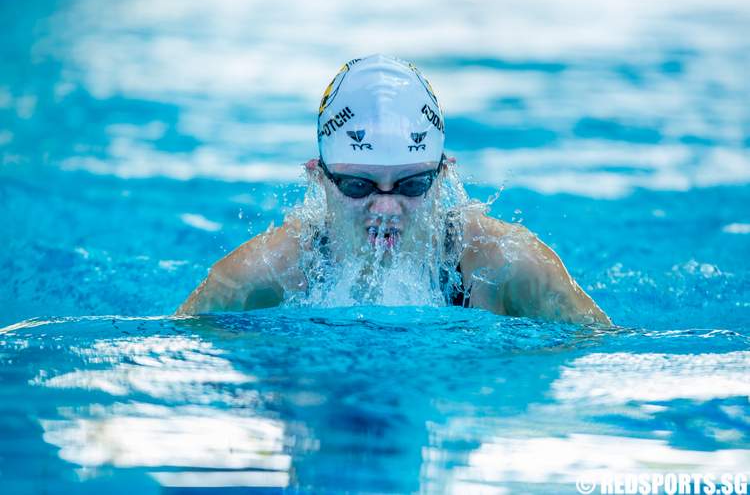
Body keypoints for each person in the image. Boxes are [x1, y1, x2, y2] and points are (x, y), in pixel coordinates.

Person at [177, 55, 611, 326]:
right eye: (357, 185)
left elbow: (600, 356)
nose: (385, 207)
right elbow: (183, 355)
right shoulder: (265, 273)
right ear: (319, 178)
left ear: (444, 176)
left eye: (411, 184)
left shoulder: (505, 264)